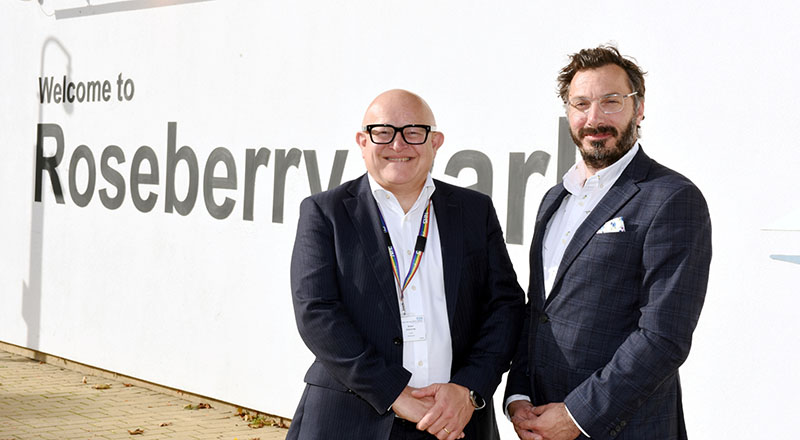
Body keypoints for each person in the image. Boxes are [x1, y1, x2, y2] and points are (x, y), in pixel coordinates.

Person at [288, 89, 525, 440]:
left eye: (413, 132)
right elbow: (316, 312)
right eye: (382, 132)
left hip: (455, 422)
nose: (398, 144)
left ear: (435, 142)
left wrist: (469, 388)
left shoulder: (475, 211)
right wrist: (393, 393)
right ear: (363, 142)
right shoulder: (326, 212)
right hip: (350, 421)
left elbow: (505, 306)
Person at [504, 46, 712, 440]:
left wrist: (577, 416)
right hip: (542, 424)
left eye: (611, 102)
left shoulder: (671, 197)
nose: (594, 118)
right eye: (581, 104)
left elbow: (663, 337)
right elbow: (539, 313)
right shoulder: (554, 199)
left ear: (639, 108)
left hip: (627, 428)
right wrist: (519, 395)